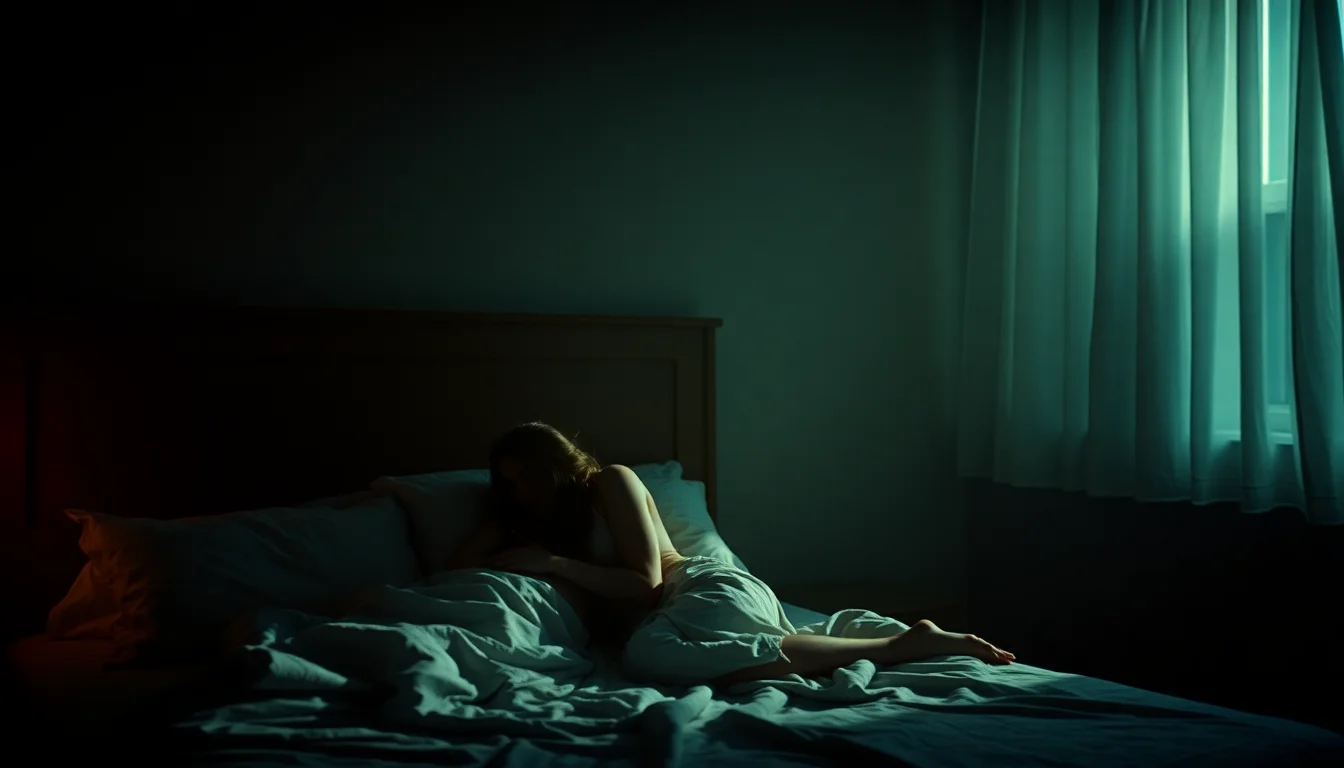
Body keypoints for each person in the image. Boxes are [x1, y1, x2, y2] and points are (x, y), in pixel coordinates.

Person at [464, 422, 1015, 685]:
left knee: (651, 656)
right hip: (672, 614)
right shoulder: (537, 525)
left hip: (699, 585)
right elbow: (455, 568)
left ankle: (898, 645)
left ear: (556, 468)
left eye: (527, 477)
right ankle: (880, 641)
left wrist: (554, 564)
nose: (520, 491)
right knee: (652, 649)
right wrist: (500, 517)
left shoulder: (610, 482)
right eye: (508, 482)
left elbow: (645, 583)